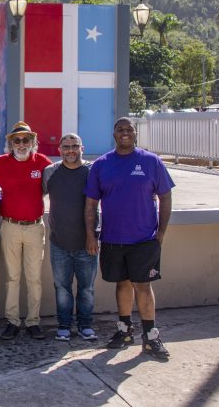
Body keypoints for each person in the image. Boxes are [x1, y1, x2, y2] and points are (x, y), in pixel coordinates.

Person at [85, 117, 174, 359]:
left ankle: (151, 337)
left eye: (129, 129)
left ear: (135, 133)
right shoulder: (102, 164)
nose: (124, 133)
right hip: (113, 238)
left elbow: (165, 197)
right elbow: (91, 204)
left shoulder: (151, 161)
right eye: (120, 129)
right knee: (122, 284)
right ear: (113, 134)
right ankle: (124, 330)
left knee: (143, 286)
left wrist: (161, 233)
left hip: (144, 239)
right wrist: (91, 235)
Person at [0, 121, 52, 340]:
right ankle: (12, 321)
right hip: (10, 227)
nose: (21, 144)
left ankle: (33, 322)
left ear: (32, 142)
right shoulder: (0, 163)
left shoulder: (42, 163)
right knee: (12, 278)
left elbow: (60, 182)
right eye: (17, 140)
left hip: (34, 227)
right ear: (11, 143)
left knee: (34, 278)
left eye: (26, 140)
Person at [42, 133, 98, 341]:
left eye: (75, 146)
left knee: (86, 288)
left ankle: (85, 325)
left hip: (87, 243)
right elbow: (32, 195)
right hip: (59, 243)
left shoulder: (92, 171)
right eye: (66, 147)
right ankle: (64, 326)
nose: (71, 150)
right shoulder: (50, 172)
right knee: (62, 288)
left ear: (82, 148)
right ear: (59, 150)